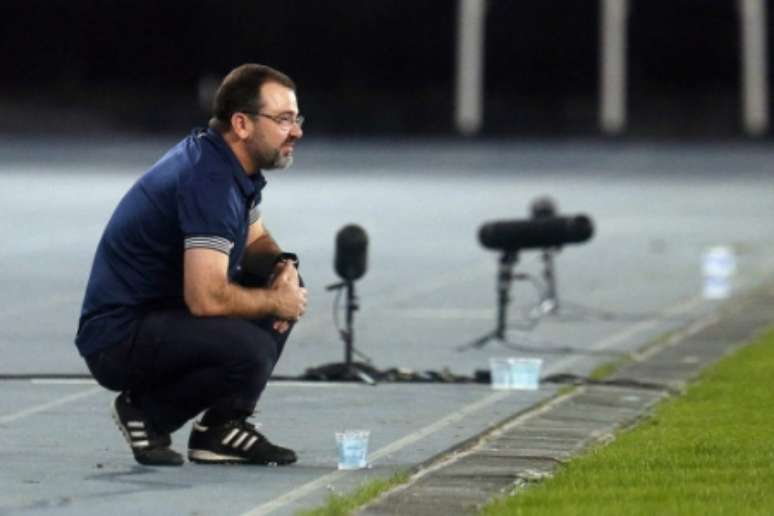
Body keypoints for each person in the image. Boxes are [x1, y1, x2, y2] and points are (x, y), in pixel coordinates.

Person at [75, 63, 308, 467]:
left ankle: (221, 430)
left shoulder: (225, 162)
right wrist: (276, 302)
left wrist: (283, 266)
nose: (297, 131)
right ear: (242, 124)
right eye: (284, 119)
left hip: (158, 315)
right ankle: (147, 413)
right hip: (118, 336)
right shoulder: (209, 181)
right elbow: (205, 298)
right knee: (250, 349)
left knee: (277, 283)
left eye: (296, 118)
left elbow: (256, 241)